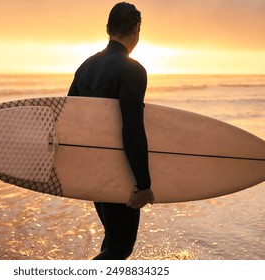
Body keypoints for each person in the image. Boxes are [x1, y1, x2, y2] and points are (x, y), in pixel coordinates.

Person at [67, 2, 155, 260]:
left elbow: (70, 121)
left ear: (108, 28)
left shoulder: (85, 67)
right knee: (120, 247)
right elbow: (132, 128)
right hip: (118, 170)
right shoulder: (133, 70)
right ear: (137, 30)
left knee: (113, 239)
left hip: (94, 169)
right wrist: (143, 184)